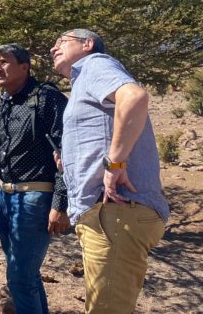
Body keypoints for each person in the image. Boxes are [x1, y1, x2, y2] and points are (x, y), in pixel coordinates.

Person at [50, 29, 169, 314]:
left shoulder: (95, 64)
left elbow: (135, 97)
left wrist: (114, 163)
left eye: (61, 42)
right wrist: (71, 161)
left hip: (115, 211)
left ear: (87, 44)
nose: (52, 48)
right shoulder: (82, 83)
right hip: (109, 214)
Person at [0, 43, 69, 314]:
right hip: (5, 198)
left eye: (4, 62)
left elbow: (65, 154)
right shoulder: (4, 104)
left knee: (19, 276)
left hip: (35, 197)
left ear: (25, 67)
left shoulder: (46, 98)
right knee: (27, 276)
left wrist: (60, 204)